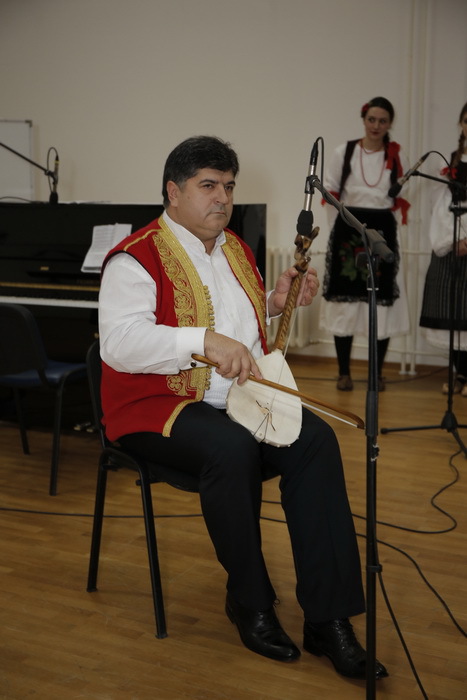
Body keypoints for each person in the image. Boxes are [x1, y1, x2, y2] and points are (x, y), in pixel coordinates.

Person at [98, 135, 387, 681]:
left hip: (235, 400)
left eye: (229, 187)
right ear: (173, 191)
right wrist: (203, 340)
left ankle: (328, 618)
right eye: (208, 185)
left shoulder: (235, 249)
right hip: (155, 406)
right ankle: (249, 601)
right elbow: (119, 344)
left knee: (316, 442)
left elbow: (244, 331)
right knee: (231, 450)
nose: (223, 198)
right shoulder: (134, 257)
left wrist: (276, 303)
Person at [319, 97, 410, 391]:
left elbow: (398, 199)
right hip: (349, 229)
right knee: (344, 301)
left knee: (381, 302)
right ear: (364, 119)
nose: (376, 125)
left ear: (390, 124)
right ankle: (344, 372)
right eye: (372, 119)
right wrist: (339, 230)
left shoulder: (395, 156)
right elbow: (330, 192)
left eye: (382, 121)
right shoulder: (344, 152)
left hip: (382, 231)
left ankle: (376, 373)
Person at [420, 102, 467, 395]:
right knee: (452, 312)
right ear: (461, 124)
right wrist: (452, 241)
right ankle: (460, 374)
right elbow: (440, 208)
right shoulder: (449, 164)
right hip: (451, 246)